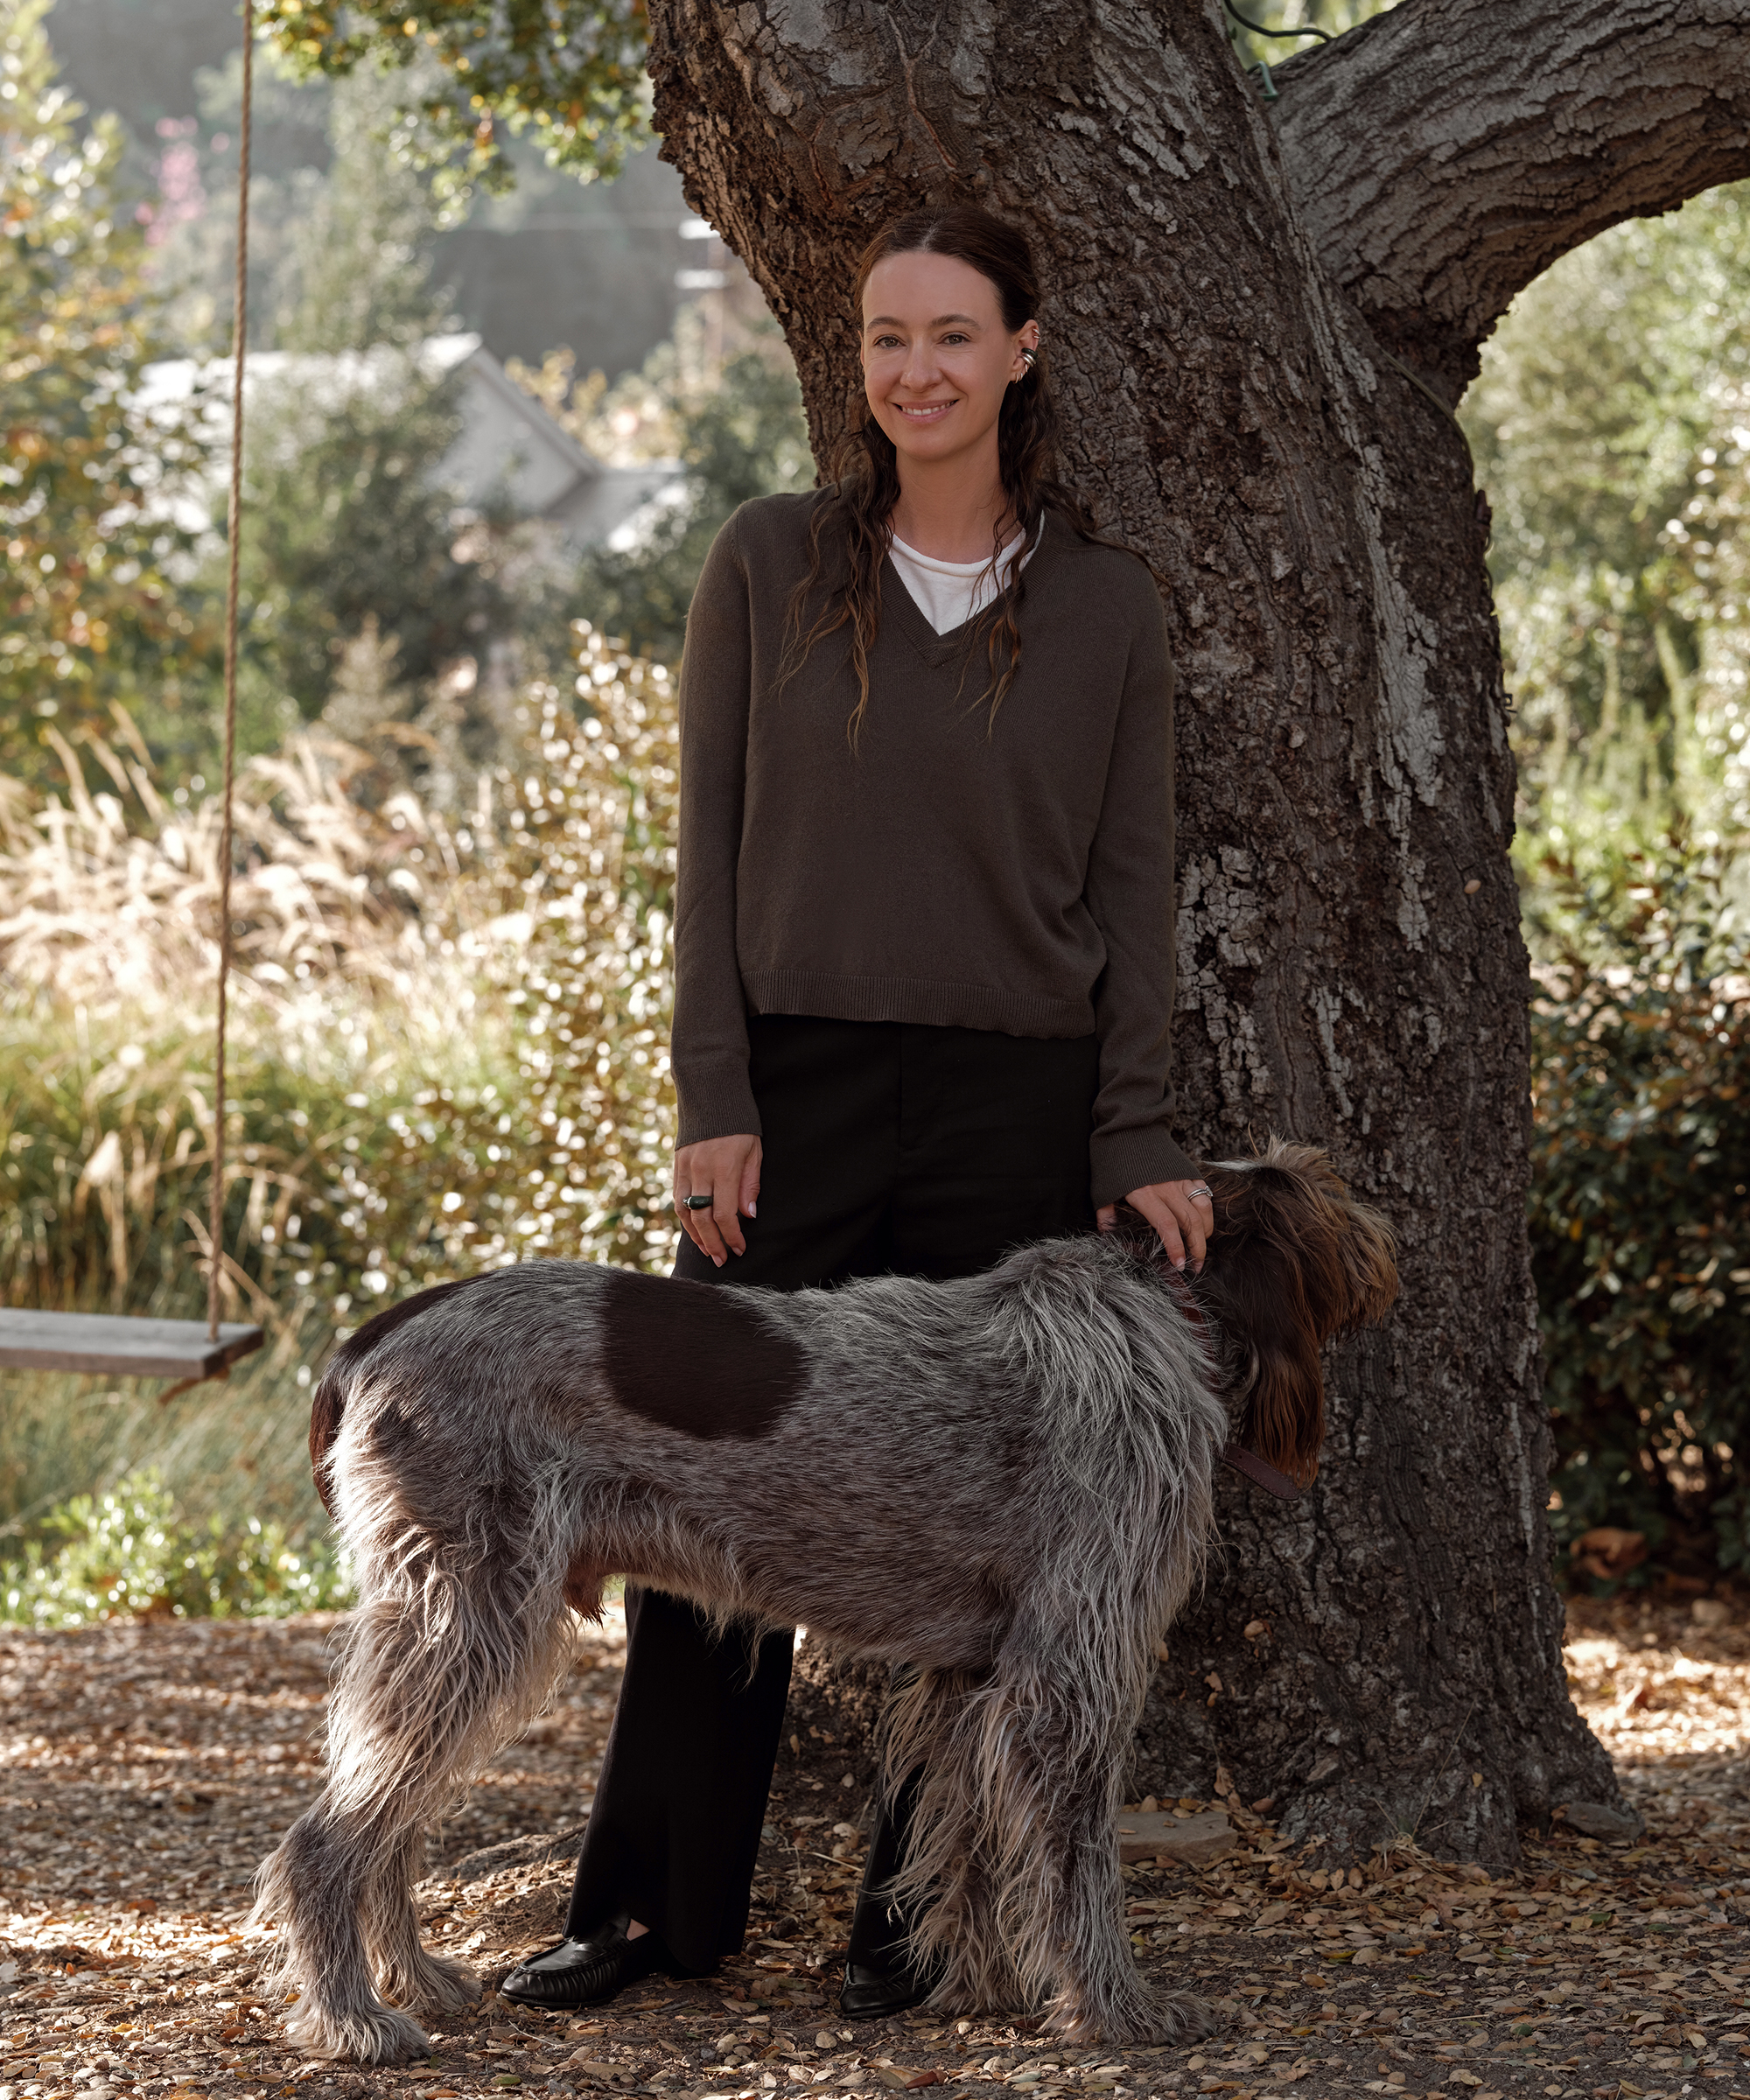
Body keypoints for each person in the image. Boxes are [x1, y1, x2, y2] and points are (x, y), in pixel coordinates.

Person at [500, 203, 1212, 2021]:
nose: (916, 369)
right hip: (793, 1100)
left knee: (974, 1522)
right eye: (888, 336)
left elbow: (1135, 898)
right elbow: (709, 851)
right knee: (696, 1489)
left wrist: (1134, 1133)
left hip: (1019, 1108)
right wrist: (713, 1094)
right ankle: (651, 1907)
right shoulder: (767, 563)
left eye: (953, 334)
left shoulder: (1107, 608)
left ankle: (921, 1917)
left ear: (1022, 352)